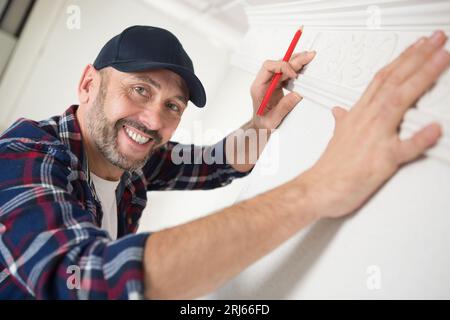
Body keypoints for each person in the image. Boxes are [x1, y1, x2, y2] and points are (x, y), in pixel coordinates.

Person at [0, 25, 448, 299]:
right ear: (88, 84)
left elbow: (216, 164)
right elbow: (89, 281)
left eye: (173, 106)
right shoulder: (23, 156)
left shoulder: (130, 159)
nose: (154, 119)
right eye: (139, 89)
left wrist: (261, 120)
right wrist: (320, 187)